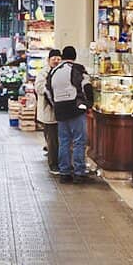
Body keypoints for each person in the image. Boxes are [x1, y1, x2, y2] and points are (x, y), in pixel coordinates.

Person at [46, 45, 94, 182]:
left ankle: (64, 173)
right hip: (75, 108)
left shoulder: (54, 71)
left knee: (64, 142)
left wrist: (55, 105)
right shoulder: (77, 68)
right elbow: (86, 86)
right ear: (74, 56)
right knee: (79, 141)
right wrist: (89, 104)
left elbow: (47, 90)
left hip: (60, 110)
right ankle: (79, 173)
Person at [35, 48, 62, 173]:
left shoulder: (61, 71)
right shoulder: (43, 73)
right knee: (52, 140)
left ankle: (58, 160)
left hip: (60, 112)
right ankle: (53, 164)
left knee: (57, 139)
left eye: (58, 59)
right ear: (48, 60)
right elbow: (39, 87)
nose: (56, 61)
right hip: (48, 111)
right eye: (53, 59)